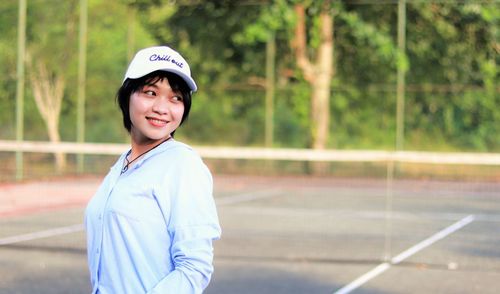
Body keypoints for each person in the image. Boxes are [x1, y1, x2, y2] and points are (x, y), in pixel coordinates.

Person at [85, 45, 221, 294]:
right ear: (128, 95)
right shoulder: (122, 164)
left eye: (176, 98)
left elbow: (194, 268)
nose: (162, 108)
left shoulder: (183, 166)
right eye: (150, 92)